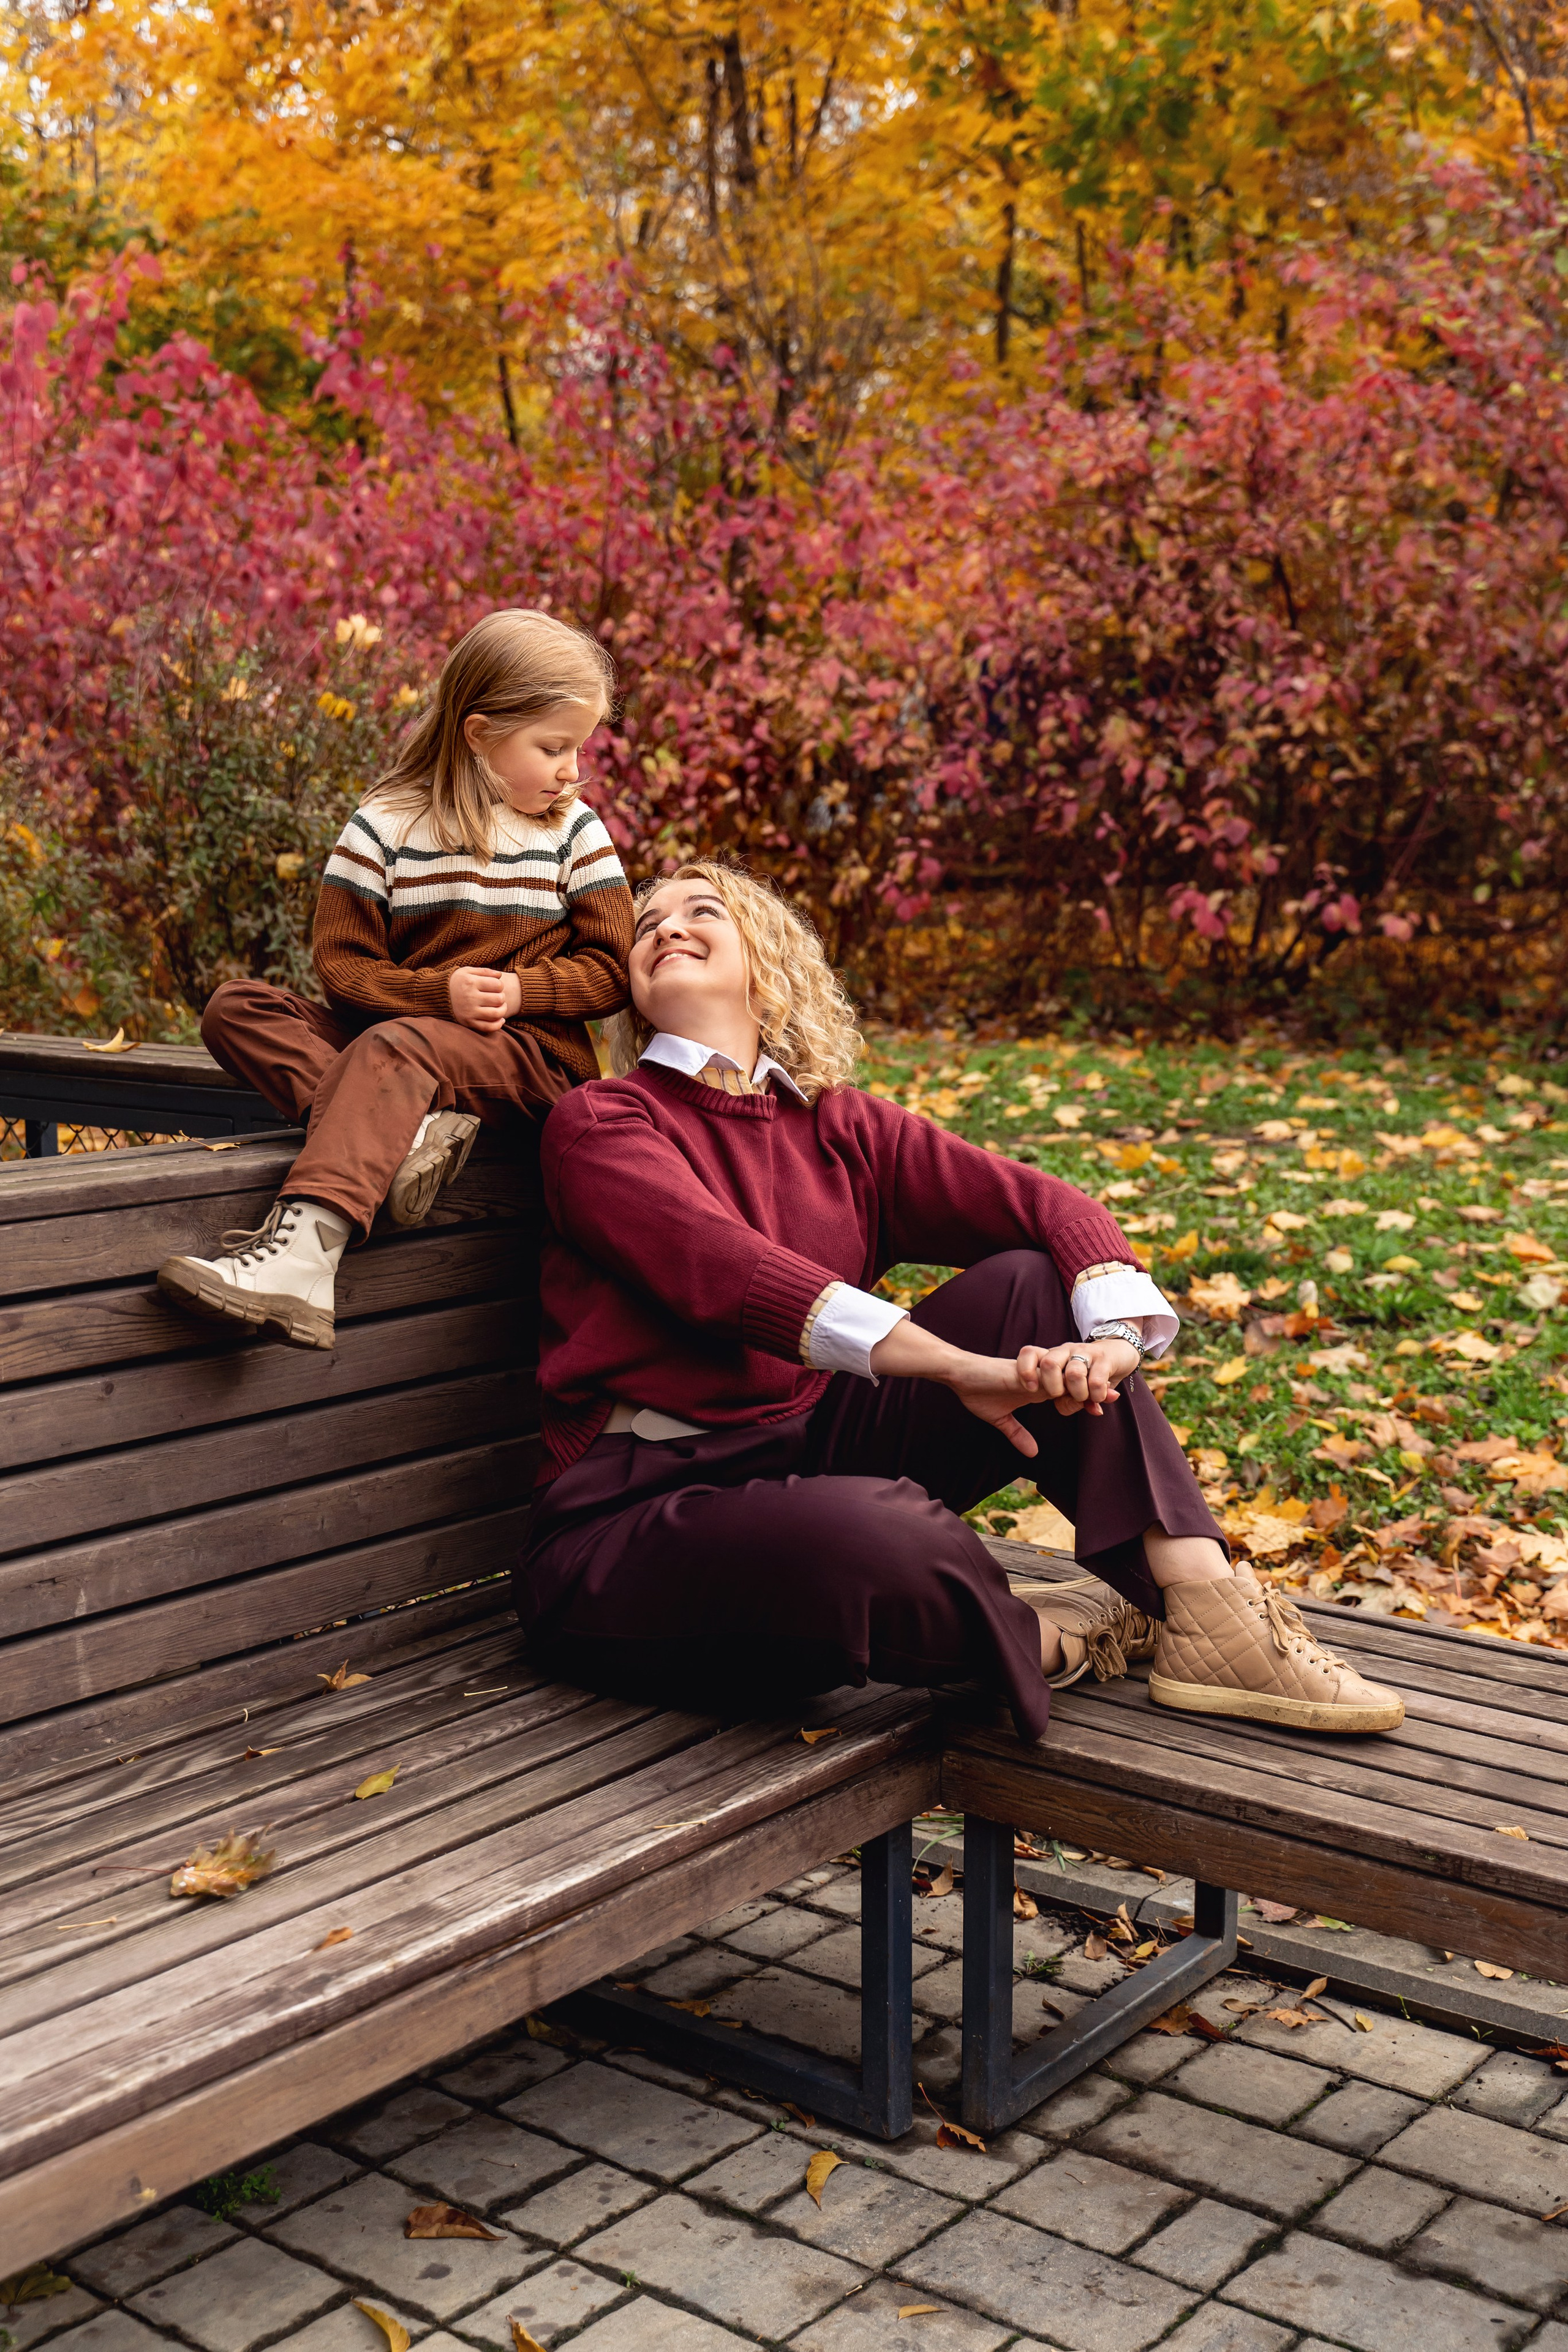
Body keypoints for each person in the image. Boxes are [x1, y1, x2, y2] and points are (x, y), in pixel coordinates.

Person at [516, 859, 1403, 1740]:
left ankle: (1212, 1611)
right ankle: (1060, 1634)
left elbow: (1046, 1207)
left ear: (766, 955)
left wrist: (1117, 1343)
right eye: (646, 924)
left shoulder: (840, 1126)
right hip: (633, 1527)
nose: (665, 926)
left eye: (700, 909)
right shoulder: (603, 1122)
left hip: (803, 1453)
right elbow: (735, 1275)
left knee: (1028, 1286)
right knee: (879, 1537)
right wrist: (953, 1370)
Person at [157, 608, 634, 1351]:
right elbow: (343, 969)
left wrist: (522, 991)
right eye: (553, 747)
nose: (574, 769)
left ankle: (304, 1260)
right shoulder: (383, 824)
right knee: (235, 1007)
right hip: (405, 1039)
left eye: (580, 747)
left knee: (396, 1048)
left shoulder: (573, 832)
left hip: (524, 1061)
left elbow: (612, 971)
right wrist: (434, 995)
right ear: (478, 735)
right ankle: (407, 1134)